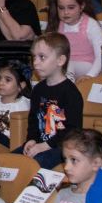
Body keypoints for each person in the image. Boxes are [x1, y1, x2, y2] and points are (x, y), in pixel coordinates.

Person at [21, 34, 83, 168]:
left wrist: (44, 146)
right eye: (34, 57)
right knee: (12, 161)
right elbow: (33, 120)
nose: (35, 62)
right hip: (39, 145)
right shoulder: (38, 89)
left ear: (60, 60)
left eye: (42, 57)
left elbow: (72, 131)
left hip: (61, 148)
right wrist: (31, 140)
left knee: (34, 165)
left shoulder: (71, 93)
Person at [50, 0, 102, 78]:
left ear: (81, 6)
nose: (66, 12)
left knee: (69, 65)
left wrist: (90, 75)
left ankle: (67, 90)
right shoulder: (57, 25)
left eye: (71, 7)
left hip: (88, 67)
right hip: (64, 67)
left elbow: (100, 56)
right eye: (61, 8)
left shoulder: (91, 24)